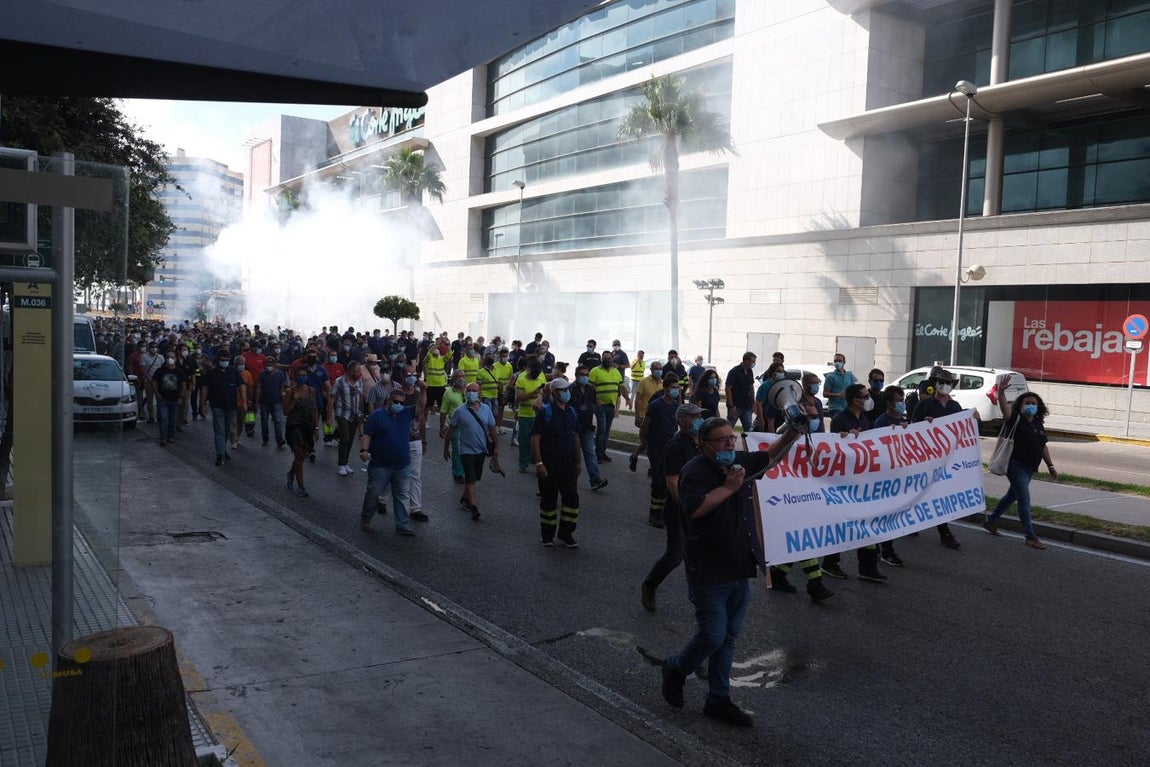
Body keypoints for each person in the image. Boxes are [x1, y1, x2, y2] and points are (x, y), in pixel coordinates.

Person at [659, 416, 805, 728]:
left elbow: (770, 456)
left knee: (727, 639)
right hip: (708, 569)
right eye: (722, 440)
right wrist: (728, 488)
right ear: (703, 444)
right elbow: (694, 508)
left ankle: (718, 700)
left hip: (739, 566)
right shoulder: (694, 472)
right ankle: (675, 668)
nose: (729, 444)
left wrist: (793, 430)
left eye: (731, 437)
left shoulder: (738, 461)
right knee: (712, 635)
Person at [640, 403, 703, 611]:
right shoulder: (675, 446)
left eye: (699, 416)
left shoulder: (701, 443)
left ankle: (702, 600)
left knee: (700, 556)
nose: (699, 420)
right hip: (680, 512)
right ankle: (650, 585)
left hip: (702, 509)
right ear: (682, 422)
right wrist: (687, 508)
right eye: (694, 417)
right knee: (675, 556)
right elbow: (672, 483)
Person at [822, 384, 886, 582]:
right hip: (845, 482)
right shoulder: (840, 419)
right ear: (855, 400)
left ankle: (867, 567)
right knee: (844, 523)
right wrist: (845, 438)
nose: (868, 398)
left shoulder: (865, 419)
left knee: (867, 522)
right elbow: (835, 448)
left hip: (863, 480)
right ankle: (830, 562)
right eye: (865, 396)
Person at [984, 378, 1057, 550]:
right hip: (1014, 465)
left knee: (1012, 496)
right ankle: (1030, 536)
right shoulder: (1015, 418)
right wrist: (1001, 392)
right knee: (1024, 498)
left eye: (1034, 403)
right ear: (1021, 405)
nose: (1031, 406)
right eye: (1028, 403)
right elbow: (1005, 409)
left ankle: (991, 520)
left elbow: (1042, 446)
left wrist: (1051, 466)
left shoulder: (1038, 423)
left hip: (1030, 466)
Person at [910, 368, 964, 550]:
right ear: (934, 383)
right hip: (926, 457)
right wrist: (925, 424)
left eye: (948, 382)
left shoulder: (955, 406)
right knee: (921, 492)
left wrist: (974, 419)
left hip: (947, 459)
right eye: (941, 382)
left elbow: (963, 430)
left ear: (953, 385)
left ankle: (944, 532)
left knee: (940, 494)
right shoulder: (925, 404)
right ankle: (911, 521)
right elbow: (912, 427)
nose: (944, 385)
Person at [359, 388, 417, 535]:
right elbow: (367, 434)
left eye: (401, 403)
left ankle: (402, 525)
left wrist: (423, 390)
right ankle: (366, 519)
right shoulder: (377, 416)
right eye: (396, 402)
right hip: (380, 465)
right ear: (389, 401)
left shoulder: (405, 414)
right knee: (374, 493)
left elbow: (422, 407)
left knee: (402, 495)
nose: (399, 405)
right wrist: (364, 450)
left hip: (402, 464)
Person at [531, 378, 582, 547]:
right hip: (550, 464)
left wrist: (578, 461)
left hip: (568, 465)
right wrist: (539, 464)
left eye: (567, 389)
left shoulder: (571, 412)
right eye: (563, 390)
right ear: (554, 392)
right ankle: (547, 535)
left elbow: (575, 436)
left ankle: (566, 533)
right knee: (549, 501)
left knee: (571, 500)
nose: (567, 392)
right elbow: (535, 439)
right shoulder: (545, 413)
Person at [444, 382, 498, 520]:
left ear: (479, 393)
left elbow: (492, 428)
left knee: (474, 478)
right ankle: (473, 506)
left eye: (474, 391)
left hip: (481, 450)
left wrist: (497, 446)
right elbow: (450, 430)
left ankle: (464, 498)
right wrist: (446, 448)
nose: (471, 393)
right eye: (468, 391)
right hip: (465, 450)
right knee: (471, 478)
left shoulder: (486, 409)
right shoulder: (459, 411)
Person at [642, 375, 682, 528]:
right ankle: (655, 514)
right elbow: (646, 425)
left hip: (669, 447)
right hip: (657, 446)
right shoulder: (656, 405)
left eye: (677, 388)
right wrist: (645, 441)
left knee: (668, 480)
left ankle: (665, 513)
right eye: (673, 387)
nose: (676, 390)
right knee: (658, 480)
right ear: (665, 389)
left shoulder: (674, 405)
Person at [569, 365, 607, 491]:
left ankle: (595, 479)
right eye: (582, 374)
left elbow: (595, 404)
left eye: (587, 375)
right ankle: (568, 480)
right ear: (576, 375)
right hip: (572, 429)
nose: (585, 377)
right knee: (572, 456)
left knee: (591, 454)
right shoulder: (570, 389)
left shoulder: (591, 389)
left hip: (587, 428)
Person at [589, 353, 631, 463]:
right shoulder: (595, 371)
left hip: (611, 405)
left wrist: (627, 398)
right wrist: (595, 400)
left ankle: (602, 453)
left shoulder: (616, 372)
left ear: (612, 359)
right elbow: (590, 388)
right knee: (602, 429)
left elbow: (621, 386)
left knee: (606, 431)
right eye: (605, 358)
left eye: (609, 358)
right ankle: (598, 454)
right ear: (601, 359)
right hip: (600, 405)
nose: (607, 360)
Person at [283, 369, 319, 496]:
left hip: (307, 427)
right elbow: (285, 411)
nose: (302, 378)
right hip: (294, 427)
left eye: (304, 375)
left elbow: (314, 409)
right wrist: (294, 400)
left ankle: (292, 473)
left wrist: (316, 428)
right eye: (299, 375)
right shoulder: (290, 392)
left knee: (302, 456)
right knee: (298, 454)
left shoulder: (311, 391)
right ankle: (301, 486)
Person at [204, 350, 242, 466]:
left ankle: (223, 450)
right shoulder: (211, 373)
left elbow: (241, 386)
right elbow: (205, 389)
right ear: (218, 360)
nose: (225, 362)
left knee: (226, 430)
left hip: (231, 406)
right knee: (219, 430)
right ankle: (219, 454)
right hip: (217, 405)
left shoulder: (233, 371)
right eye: (222, 360)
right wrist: (203, 404)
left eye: (227, 360)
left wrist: (244, 401)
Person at [628, 360, 664, 472]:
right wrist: (637, 416)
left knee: (653, 443)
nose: (658, 371)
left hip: (658, 418)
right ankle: (636, 457)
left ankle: (651, 465)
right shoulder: (644, 382)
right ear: (652, 370)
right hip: (645, 416)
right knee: (646, 442)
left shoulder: (663, 384)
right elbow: (638, 399)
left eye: (660, 368)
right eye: (656, 369)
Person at [514, 359, 547, 470]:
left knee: (538, 439)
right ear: (529, 369)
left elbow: (543, 394)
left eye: (538, 372)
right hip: (524, 414)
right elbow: (518, 398)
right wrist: (533, 393)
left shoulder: (540, 378)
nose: (536, 374)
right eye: (534, 372)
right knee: (524, 440)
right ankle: (523, 463)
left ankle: (535, 459)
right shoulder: (521, 380)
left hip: (537, 415)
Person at [439, 371, 468, 484]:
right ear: (453, 379)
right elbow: (443, 411)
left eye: (462, 376)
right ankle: (458, 473)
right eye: (458, 376)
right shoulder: (449, 393)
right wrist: (442, 428)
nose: (461, 378)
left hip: (468, 426)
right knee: (457, 449)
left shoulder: (468, 391)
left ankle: (466, 469)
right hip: (455, 426)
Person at [257, 352, 288, 449]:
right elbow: (259, 387)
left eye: (270, 364)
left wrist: (283, 398)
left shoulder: (280, 374)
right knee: (264, 421)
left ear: (275, 365)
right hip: (264, 401)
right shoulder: (262, 374)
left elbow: (283, 386)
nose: (268, 366)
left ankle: (279, 440)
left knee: (278, 420)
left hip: (276, 401)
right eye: (267, 364)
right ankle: (265, 439)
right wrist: (257, 400)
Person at [153, 352, 185, 446]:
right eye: (167, 357)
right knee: (163, 418)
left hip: (175, 399)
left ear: (175, 359)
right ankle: (163, 437)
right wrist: (157, 394)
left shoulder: (179, 371)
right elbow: (154, 382)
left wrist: (181, 397)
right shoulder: (160, 370)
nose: (169, 359)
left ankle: (170, 436)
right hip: (163, 399)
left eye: (172, 357)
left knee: (173, 419)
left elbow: (183, 384)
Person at [724, 352, 757, 431]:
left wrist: (753, 402)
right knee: (729, 427)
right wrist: (731, 405)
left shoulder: (750, 371)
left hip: (747, 405)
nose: (754, 364)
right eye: (753, 361)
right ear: (746, 361)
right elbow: (727, 388)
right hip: (735, 405)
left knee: (748, 429)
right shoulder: (734, 371)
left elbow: (751, 387)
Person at [823, 353, 857, 425]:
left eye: (840, 361)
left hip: (848, 407)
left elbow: (855, 388)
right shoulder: (830, 377)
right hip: (835, 408)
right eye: (835, 361)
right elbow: (825, 393)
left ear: (844, 362)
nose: (837, 363)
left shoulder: (850, 375)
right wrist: (838, 394)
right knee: (839, 426)